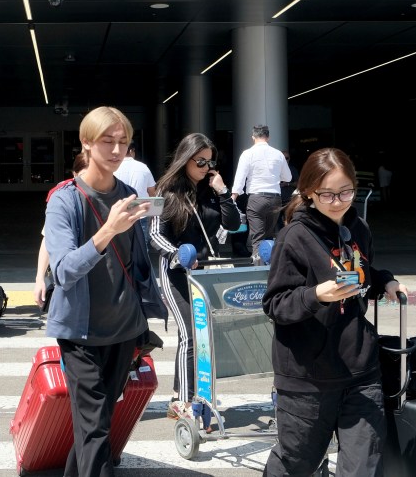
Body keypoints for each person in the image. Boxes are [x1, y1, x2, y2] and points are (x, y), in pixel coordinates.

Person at [262, 148, 407, 476]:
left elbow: (363, 277)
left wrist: (385, 281)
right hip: (308, 377)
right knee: (295, 464)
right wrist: (316, 294)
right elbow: (275, 304)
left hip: (360, 370)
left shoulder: (360, 230)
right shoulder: (294, 238)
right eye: (327, 194)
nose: (338, 201)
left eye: (346, 192)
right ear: (310, 193)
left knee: (363, 466)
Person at [43, 106, 166, 477]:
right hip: (81, 334)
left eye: (123, 142)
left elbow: (135, 262)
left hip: (123, 329)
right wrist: (106, 231)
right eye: (107, 141)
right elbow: (63, 271)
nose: (116, 150)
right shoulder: (65, 199)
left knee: (97, 426)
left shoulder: (128, 193)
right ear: (86, 143)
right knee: (95, 427)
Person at [148, 133, 240, 421]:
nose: (205, 166)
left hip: (207, 272)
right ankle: (185, 402)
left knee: (205, 336)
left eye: (210, 161)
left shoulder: (211, 190)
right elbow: (153, 234)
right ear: (185, 159)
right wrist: (177, 255)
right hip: (176, 272)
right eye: (200, 161)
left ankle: (183, 392)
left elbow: (233, 223)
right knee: (190, 335)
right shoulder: (163, 190)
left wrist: (223, 191)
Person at [33, 153, 87, 308]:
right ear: (74, 174)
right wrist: (40, 278)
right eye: (84, 176)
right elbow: (48, 239)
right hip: (69, 277)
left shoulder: (109, 198)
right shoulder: (62, 199)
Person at [232, 124, 292, 259]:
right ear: (268, 137)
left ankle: (258, 268)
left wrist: (233, 197)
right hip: (275, 198)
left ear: (253, 137)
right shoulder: (278, 154)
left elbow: (240, 178)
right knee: (269, 236)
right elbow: (288, 177)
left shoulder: (247, 154)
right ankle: (270, 268)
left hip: (256, 198)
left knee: (257, 237)